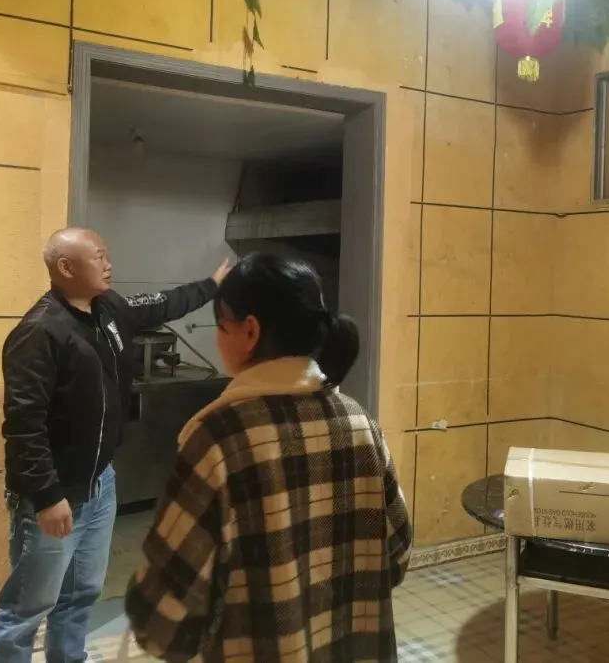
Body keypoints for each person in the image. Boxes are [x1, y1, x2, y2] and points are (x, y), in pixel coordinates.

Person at [125, 252, 412, 662]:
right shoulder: (359, 421)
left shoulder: (217, 438)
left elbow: (164, 618)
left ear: (250, 330)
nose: (217, 339)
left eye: (221, 326)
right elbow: (397, 554)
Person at [0, 227, 231, 663]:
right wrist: (47, 496)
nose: (108, 264)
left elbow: (161, 304)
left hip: (101, 484)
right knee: (27, 607)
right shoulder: (40, 332)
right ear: (66, 267)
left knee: (80, 594)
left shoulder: (109, 308)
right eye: (98, 256)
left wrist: (211, 286)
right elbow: (24, 426)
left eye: (107, 255)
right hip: (56, 493)